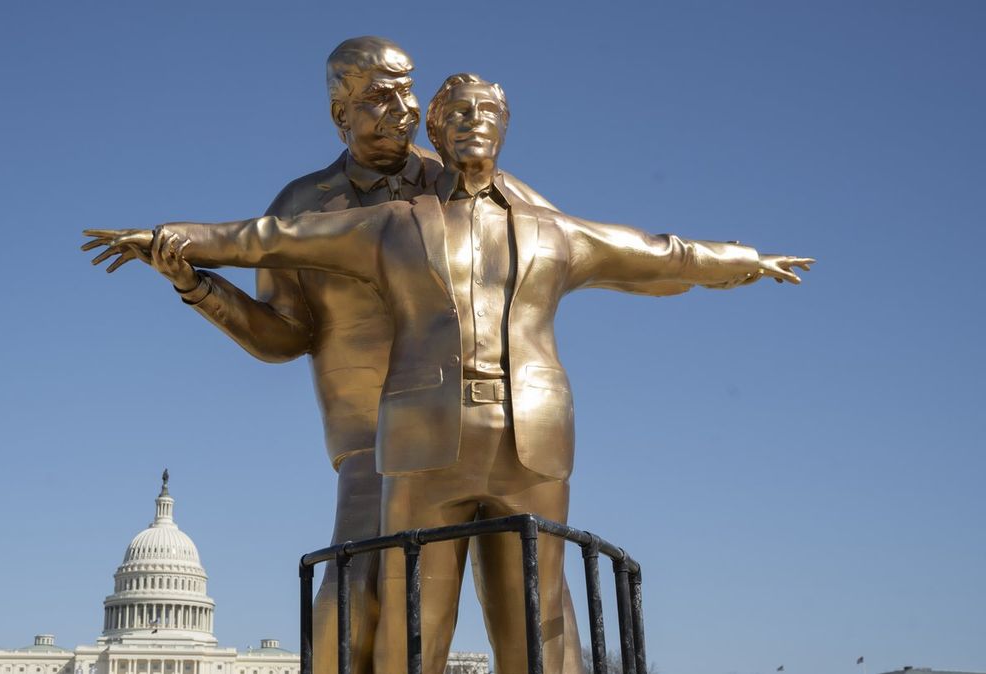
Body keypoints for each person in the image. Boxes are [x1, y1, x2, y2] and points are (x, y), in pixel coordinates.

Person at [83, 73, 812, 674]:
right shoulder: (393, 225)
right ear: (434, 130)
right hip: (423, 443)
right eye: (457, 112)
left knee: (540, 624)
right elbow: (270, 238)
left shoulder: (556, 231)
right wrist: (167, 240)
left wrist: (745, 260)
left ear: (506, 126)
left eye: (488, 110)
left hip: (533, 440)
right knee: (413, 631)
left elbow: (662, 255)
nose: (474, 122)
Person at [104, 38, 584, 674]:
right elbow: (282, 336)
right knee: (352, 615)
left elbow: (564, 243)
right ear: (341, 115)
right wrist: (198, 285)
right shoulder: (302, 206)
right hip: (369, 445)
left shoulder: (472, 183)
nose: (404, 109)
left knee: (535, 611)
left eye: (408, 90)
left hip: (492, 429)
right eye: (381, 97)